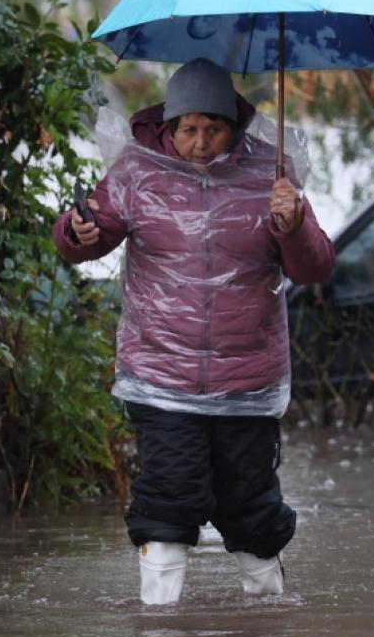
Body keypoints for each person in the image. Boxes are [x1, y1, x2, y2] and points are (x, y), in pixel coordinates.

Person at [53, 58, 335, 605]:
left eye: (214, 129)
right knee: (167, 498)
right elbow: (87, 235)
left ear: (234, 125)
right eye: (189, 130)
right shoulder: (136, 174)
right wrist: (75, 230)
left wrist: (292, 224)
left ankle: (265, 630)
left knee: (251, 506)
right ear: (168, 126)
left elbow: (314, 267)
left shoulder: (269, 176)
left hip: (248, 380)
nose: (201, 143)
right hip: (162, 376)